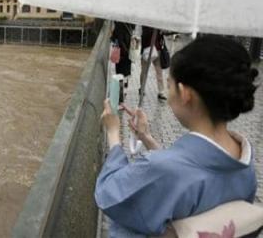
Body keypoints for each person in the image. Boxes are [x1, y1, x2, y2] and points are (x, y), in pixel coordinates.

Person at [96, 35, 259, 237]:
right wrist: (147, 138)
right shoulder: (244, 163)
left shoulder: (162, 168)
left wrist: (113, 133)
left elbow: (109, 194)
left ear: (185, 93)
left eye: (170, 84)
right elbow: (185, 171)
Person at [140, 26, 167, 100]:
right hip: (147, 50)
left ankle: (161, 91)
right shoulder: (146, 25)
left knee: (159, 72)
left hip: (157, 50)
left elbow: (162, 36)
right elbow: (144, 36)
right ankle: (142, 88)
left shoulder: (159, 25)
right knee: (144, 71)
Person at [111, 21, 134, 102]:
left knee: (121, 74)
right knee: (124, 74)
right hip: (125, 53)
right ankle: (122, 94)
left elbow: (114, 38)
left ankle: (121, 94)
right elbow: (119, 39)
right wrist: (127, 51)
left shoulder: (120, 24)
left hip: (123, 53)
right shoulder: (128, 24)